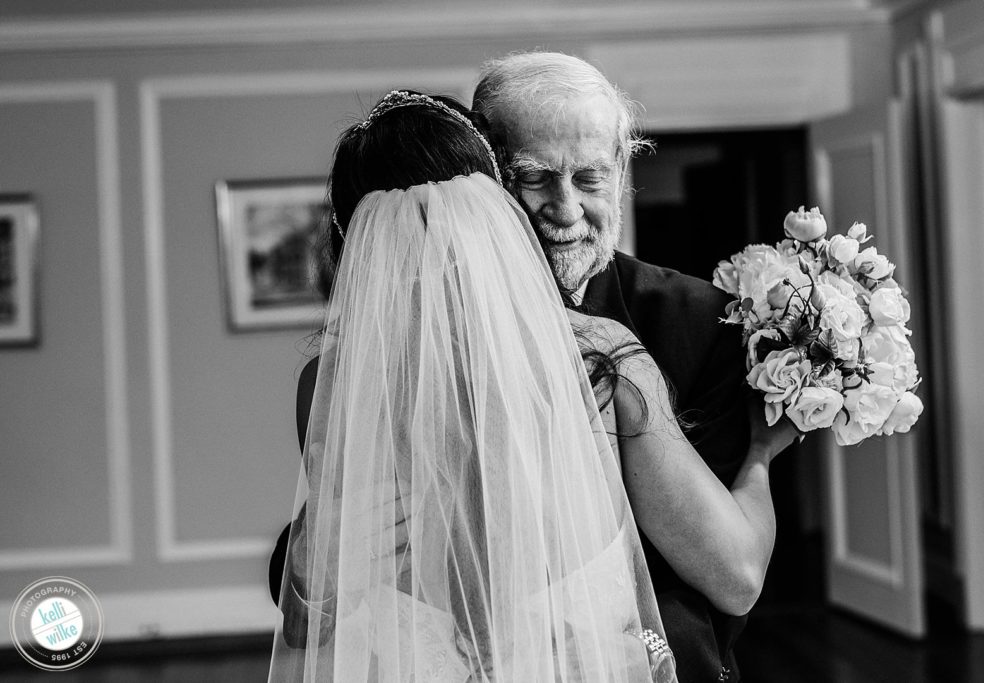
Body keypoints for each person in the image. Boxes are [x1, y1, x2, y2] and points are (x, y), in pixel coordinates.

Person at [269, 90, 792, 682]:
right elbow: (737, 578)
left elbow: (305, 621)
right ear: (499, 210)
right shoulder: (600, 358)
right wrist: (760, 454)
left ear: (351, 244)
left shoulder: (334, 384)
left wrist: (314, 569)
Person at [471, 52, 758, 681]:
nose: (567, 208)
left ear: (623, 169)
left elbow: (729, 573)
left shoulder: (700, 320)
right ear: (485, 178)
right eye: (535, 177)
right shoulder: (436, 322)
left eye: (591, 178)